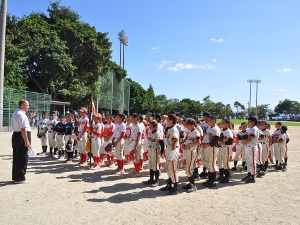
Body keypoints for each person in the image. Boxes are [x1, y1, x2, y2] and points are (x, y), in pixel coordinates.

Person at [11, 99, 35, 184]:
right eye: (27, 105)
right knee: (23, 157)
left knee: (16, 156)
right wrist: (26, 141)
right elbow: (23, 129)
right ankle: (20, 177)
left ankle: (16, 176)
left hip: (16, 135)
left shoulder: (16, 113)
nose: (28, 107)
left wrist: (31, 117)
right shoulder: (21, 114)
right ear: (22, 105)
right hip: (22, 136)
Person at [160, 114, 180, 195]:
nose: (166, 121)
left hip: (173, 150)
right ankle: (170, 184)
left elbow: (175, 141)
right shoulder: (169, 129)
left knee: (173, 169)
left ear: (171, 120)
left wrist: (172, 153)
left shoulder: (174, 129)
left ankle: (175, 188)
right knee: (169, 168)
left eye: (167, 120)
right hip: (169, 148)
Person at [181, 118, 201, 193]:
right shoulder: (190, 132)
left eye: (188, 125)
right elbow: (186, 139)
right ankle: (190, 183)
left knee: (189, 169)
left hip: (192, 151)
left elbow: (198, 142)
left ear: (193, 125)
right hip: (188, 151)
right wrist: (183, 143)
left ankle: (193, 185)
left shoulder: (196, 132)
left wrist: (189, 144)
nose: (187, 127)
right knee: (188, 168)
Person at [201, 114, 220, 187]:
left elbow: (216, 140)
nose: (207, 121)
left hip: (211, 148)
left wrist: (207, 145)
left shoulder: (216, 129)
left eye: (209, 120)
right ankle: (209, 179)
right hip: (207, 148)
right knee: (208, 164)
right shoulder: (209, 128)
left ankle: (212, 181)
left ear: (213, 121)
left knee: (211, 164)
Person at [144, 120, 164, 187]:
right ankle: (151, 179)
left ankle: (157, 181)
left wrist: (161, 152)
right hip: (150, 149)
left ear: (155, 127)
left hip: (155, 149)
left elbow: (162, 143)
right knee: (150, 164)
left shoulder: (157, 134)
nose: (149, 126)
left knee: (155, 165)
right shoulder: (150, 133)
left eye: (151, 125)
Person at [241, 116, 260, 183]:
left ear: (253, 122)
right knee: (248, 162)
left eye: (249, 122)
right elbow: (244, 137)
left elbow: (250, 138)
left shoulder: (254, 129)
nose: (248, 123)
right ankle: (249, 174)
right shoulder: (249, 129)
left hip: (252, 147)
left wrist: (245, 141)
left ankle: (252, 176)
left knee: (252, 162)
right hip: (247, 147)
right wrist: (244, 140)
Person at [216, 118, 233, 183]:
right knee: (219, 162)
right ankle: (221, 176)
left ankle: (226, 177)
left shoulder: (229, 131)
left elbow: (230, 142)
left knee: (225, 163)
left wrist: (223, 143)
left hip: (226, 148)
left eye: (223, 122)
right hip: (220, 148)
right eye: (221, 122)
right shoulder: (220, 130)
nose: (221, 123)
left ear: (227, 124)